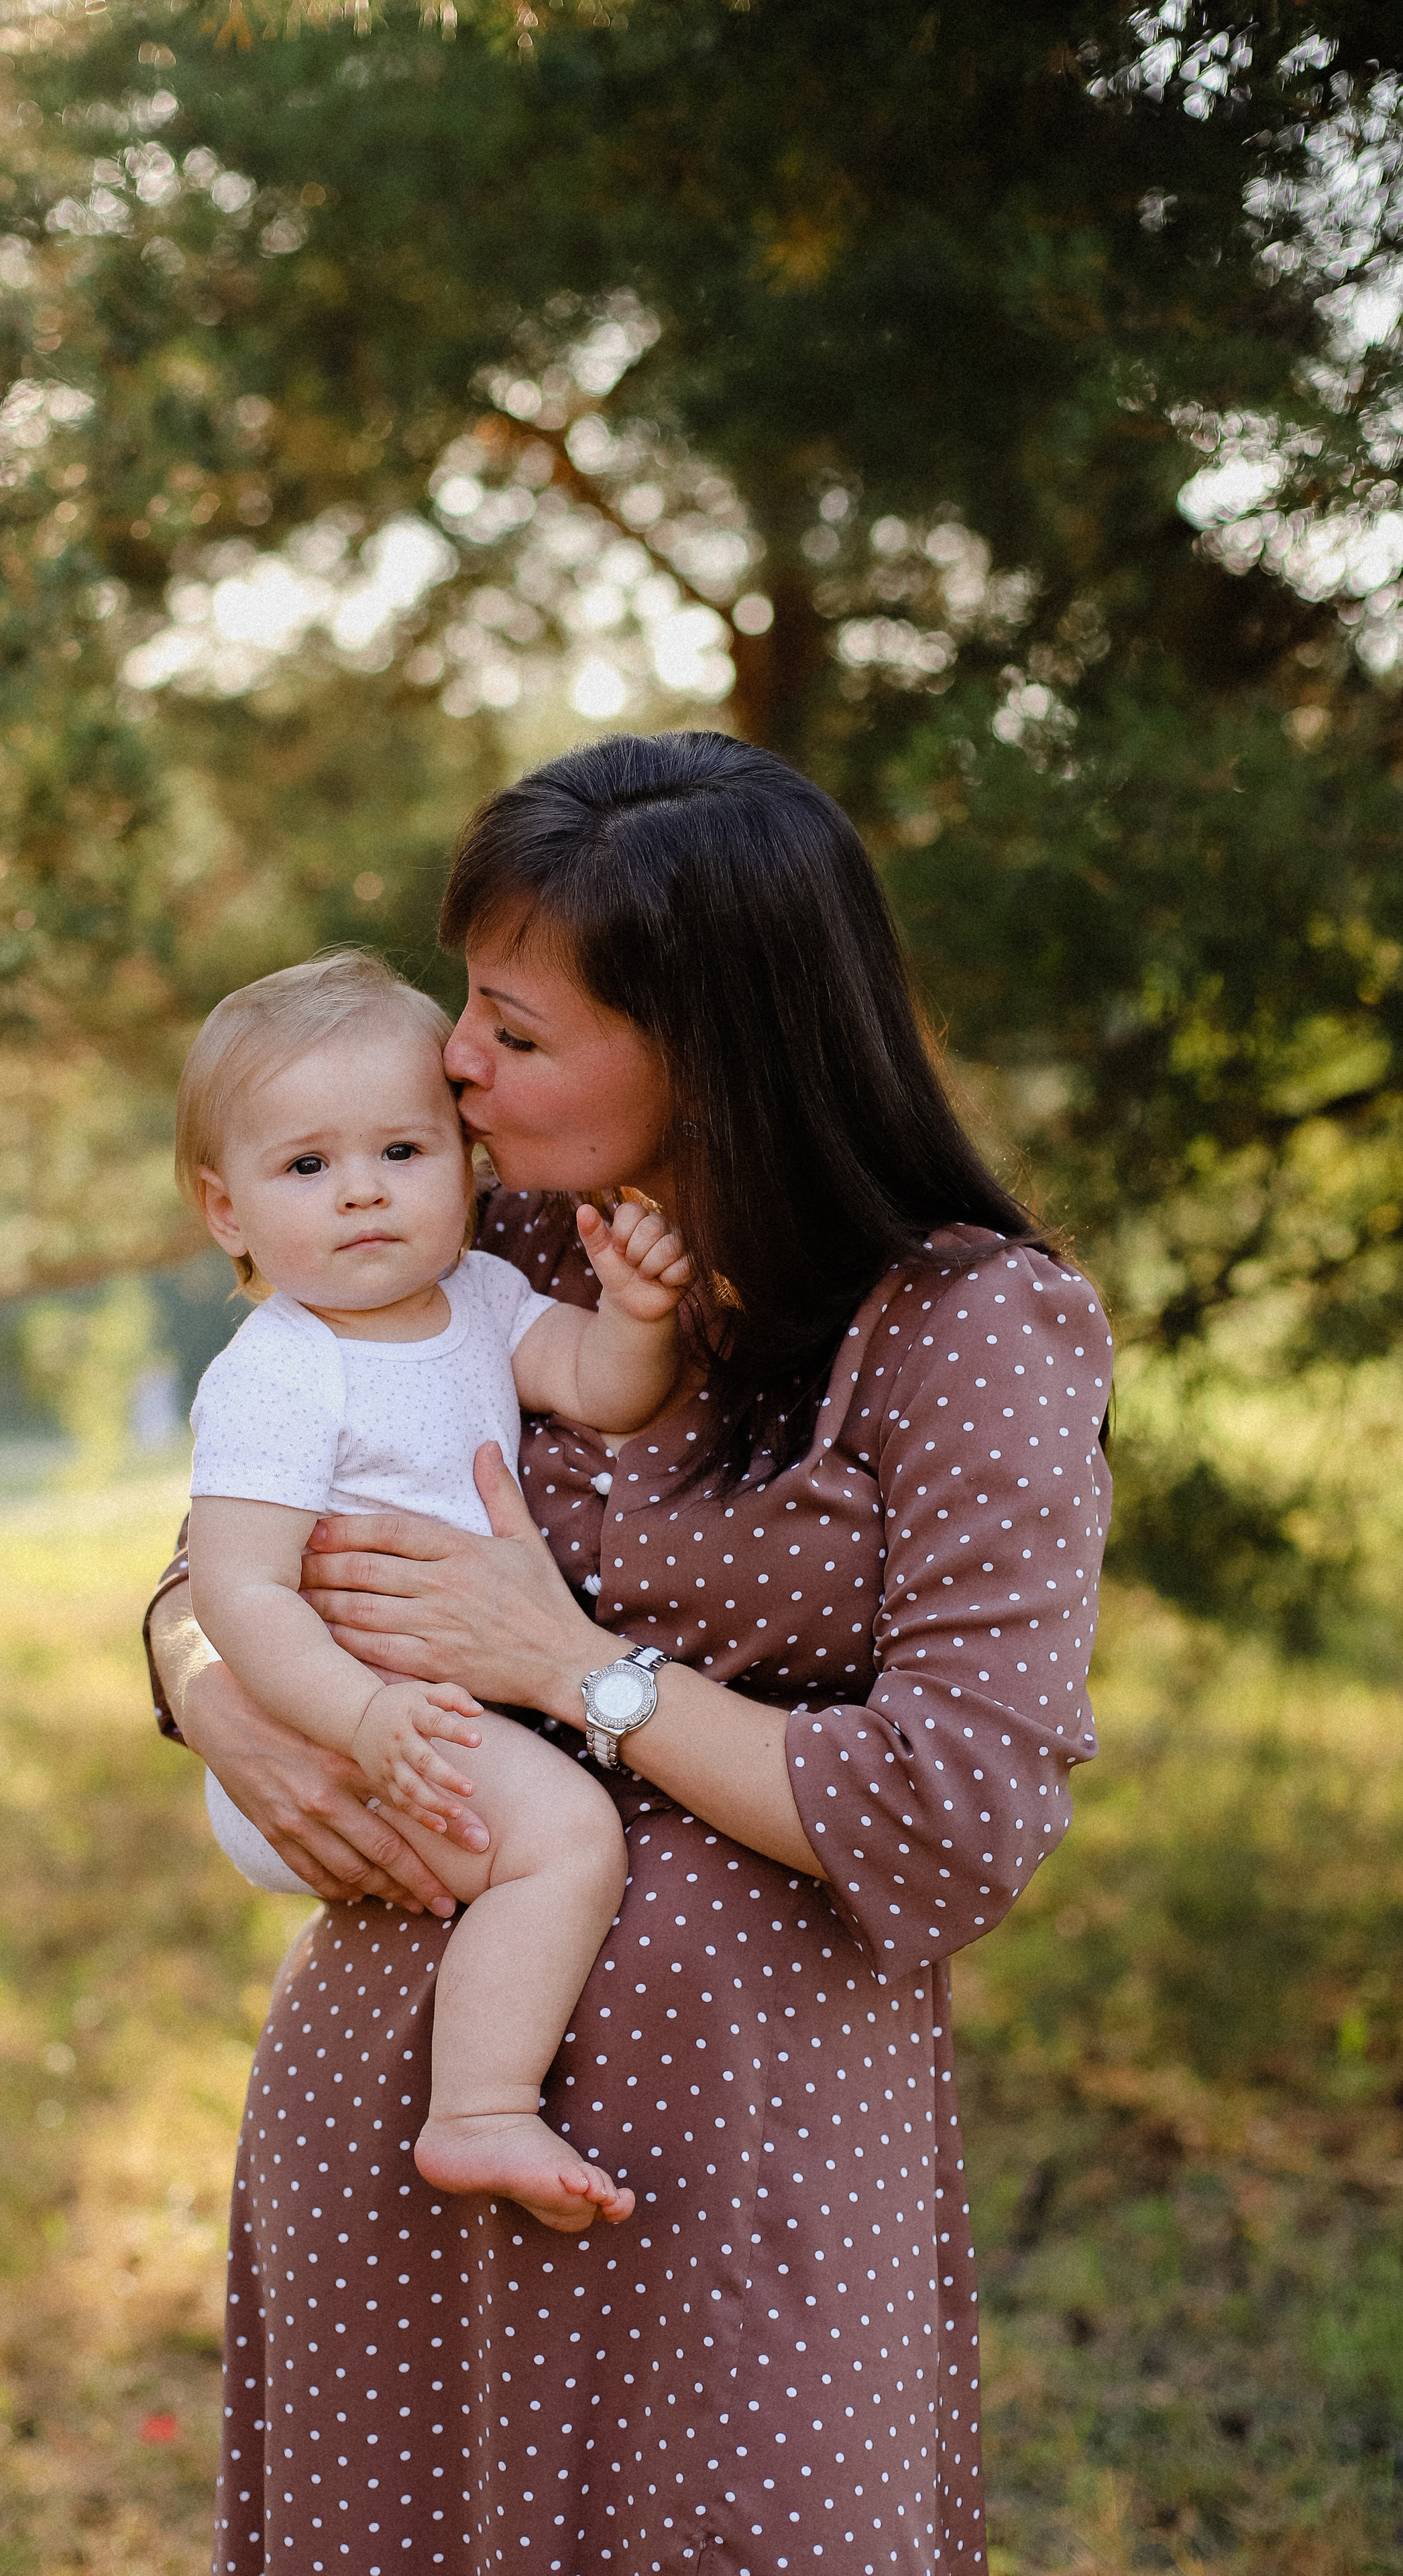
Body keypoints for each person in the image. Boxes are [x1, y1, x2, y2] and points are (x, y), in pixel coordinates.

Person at [144, 730, 1113, 2576]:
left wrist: (583, 1667)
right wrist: (208, 1695)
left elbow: (959, 1815)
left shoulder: (969, 1333)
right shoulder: (478, 1217)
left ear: (706, 1044)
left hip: (743, 2152)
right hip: (400, 2093)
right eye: (467, 1014)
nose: (455, 1062)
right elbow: (229, 1531)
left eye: (514, 1028)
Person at [178, 950, 691, 2229]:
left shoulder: (479, 1295)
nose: (361, 1195)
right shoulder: (282, 1372)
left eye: (401, 1153)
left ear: (463, 1160)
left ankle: (479, 2099)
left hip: (419, 1713)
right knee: (568, 1841)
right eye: (307, 1167)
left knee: (551, 1830)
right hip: (340, 1728)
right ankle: (478, 2111)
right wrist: (362, 1718)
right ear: (226, 1209)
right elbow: (237, 1596)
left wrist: (633, 1314)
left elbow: (596, 1384)